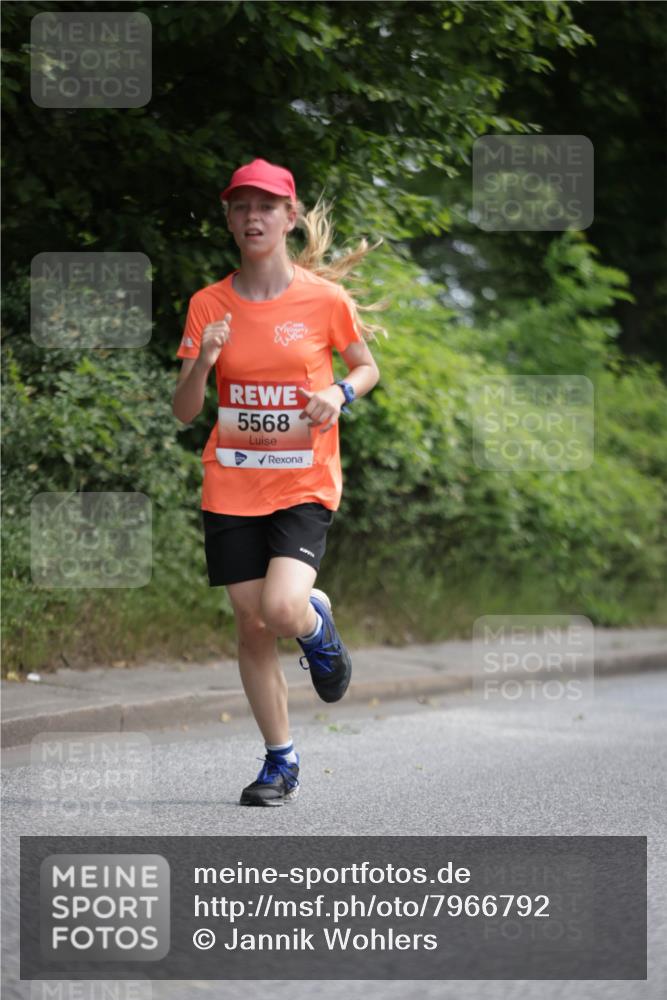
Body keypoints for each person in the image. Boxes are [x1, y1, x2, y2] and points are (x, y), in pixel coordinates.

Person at [172, 157, 383, 806]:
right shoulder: (208, 304)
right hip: (231, 481)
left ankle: (315, 624)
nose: (252, 217)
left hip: (303, 479)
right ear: (229, 219)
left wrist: (339, 392)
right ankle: (280, 762)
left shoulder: (324, 300)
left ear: (289, 218)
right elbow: (184, 411)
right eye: (241, 206)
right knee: (252, 625)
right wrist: (203, 360)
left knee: (282, 609)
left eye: (266, 206)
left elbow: (366, 367)